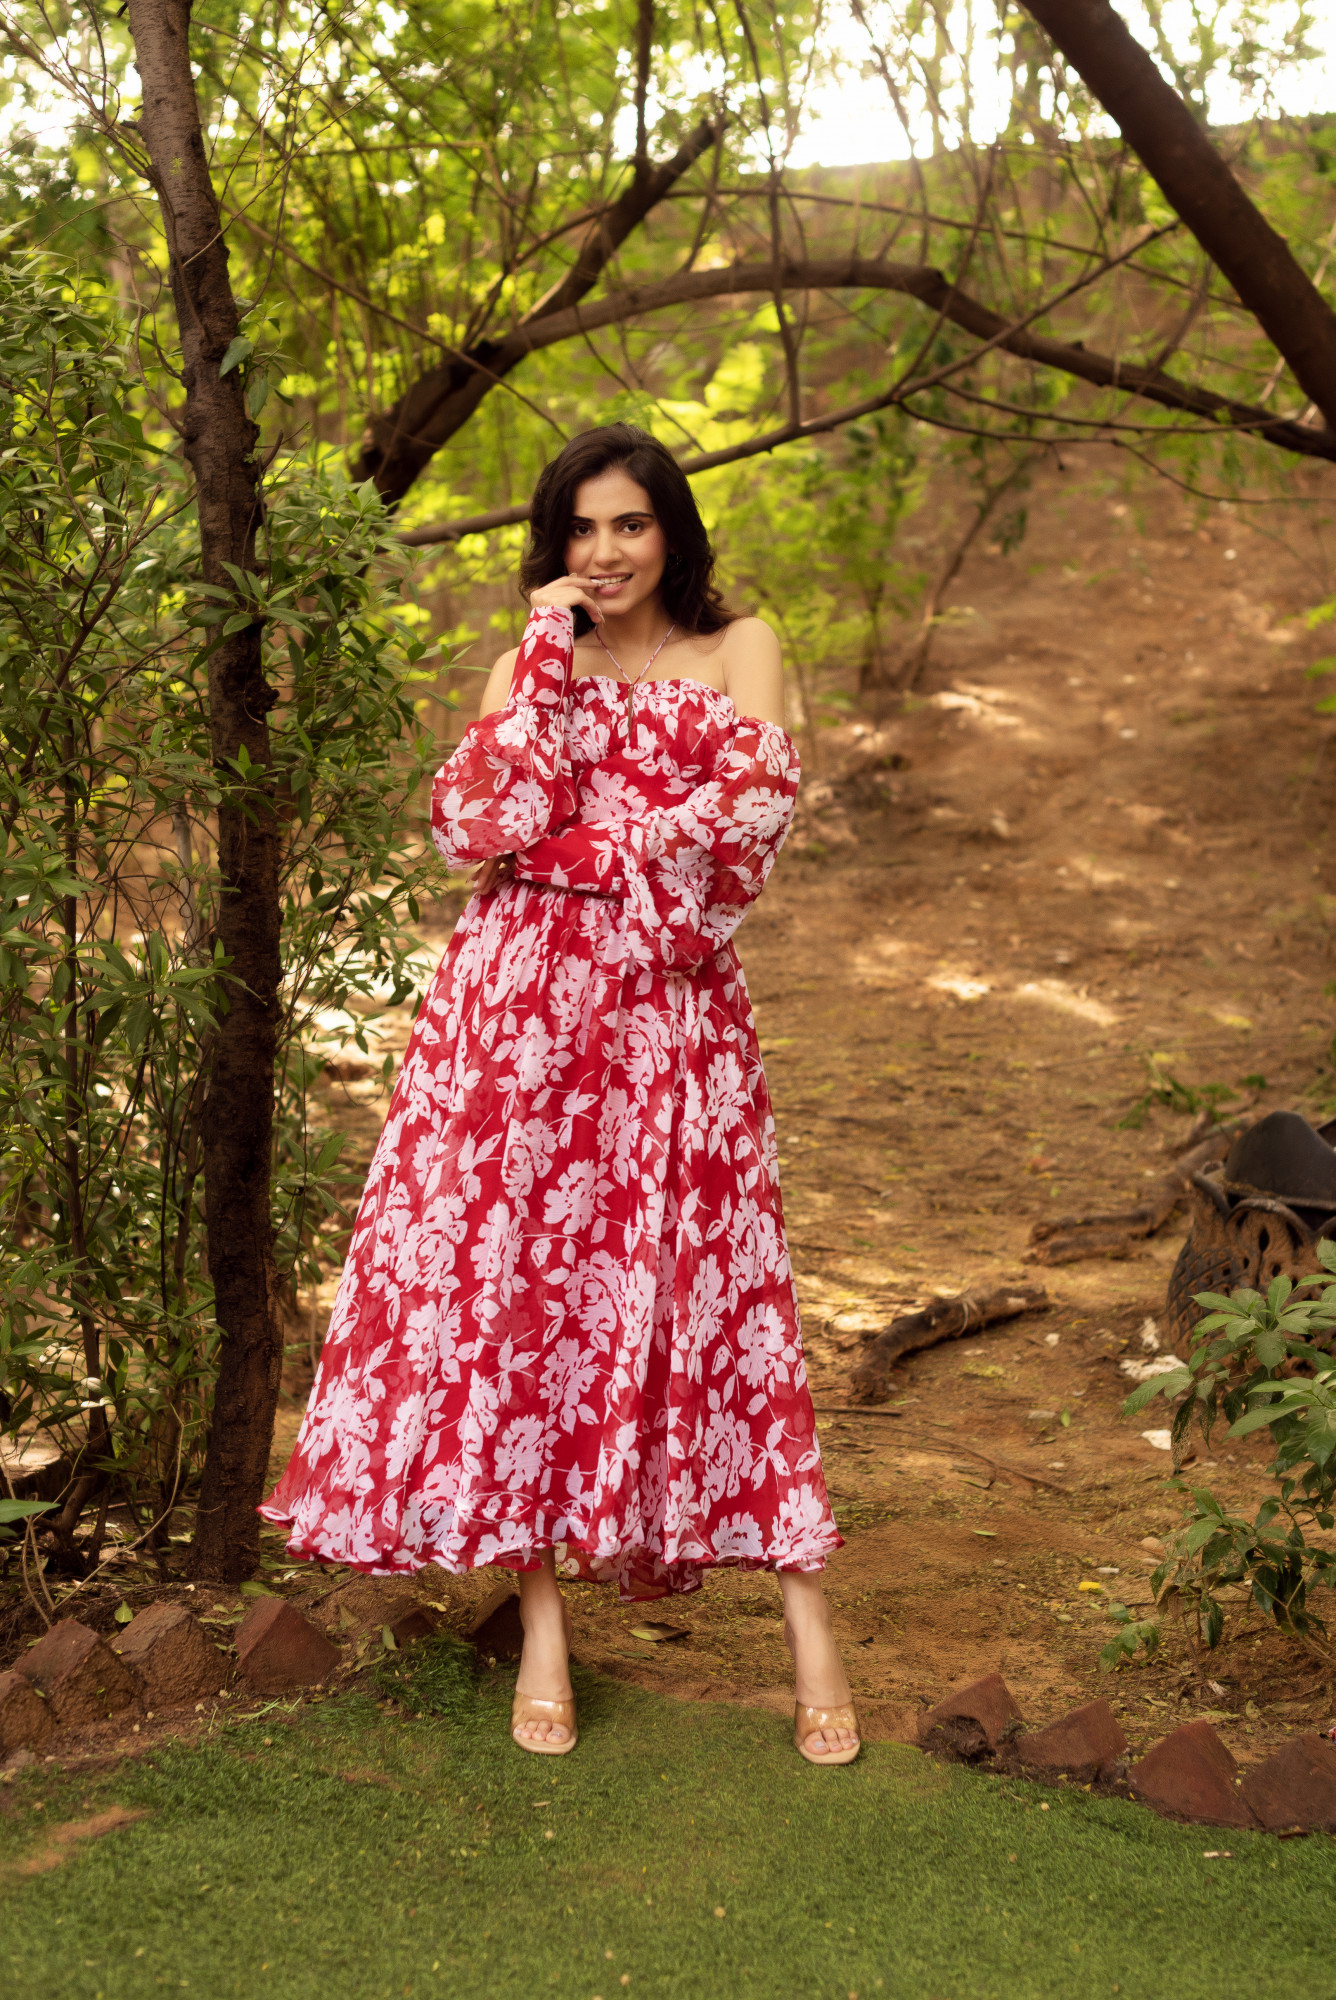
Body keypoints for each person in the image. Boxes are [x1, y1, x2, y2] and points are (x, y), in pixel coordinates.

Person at [262, 423, 859, 1765]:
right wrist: (541, 653)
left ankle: (810, 1625)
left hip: (672, 1013)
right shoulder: (526, 666)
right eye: (580, 529)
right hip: (514, 1021)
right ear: (553, 544)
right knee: (524, 1303)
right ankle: (541, 1624)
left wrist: (578, 850)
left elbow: (749, 817)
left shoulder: (739, 647)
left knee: (715, 1294)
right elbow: (477, 825)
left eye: (629, 524)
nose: (605, 552)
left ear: (672, 531)